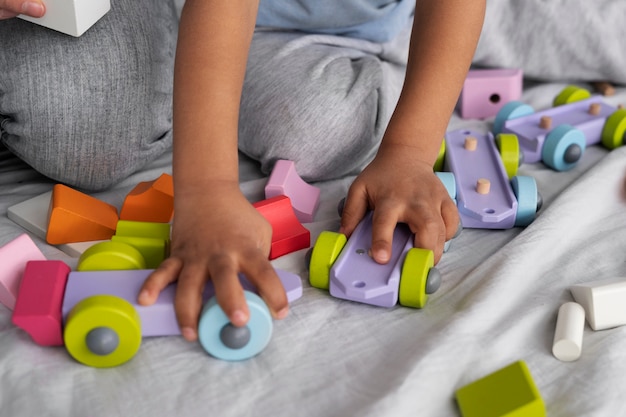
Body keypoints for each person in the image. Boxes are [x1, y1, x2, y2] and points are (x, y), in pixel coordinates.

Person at [0, 0, 485, 342]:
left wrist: (409, 150)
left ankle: (197, 73)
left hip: (306, 24)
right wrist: (207, 189)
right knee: (80, 135)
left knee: (325, 129)